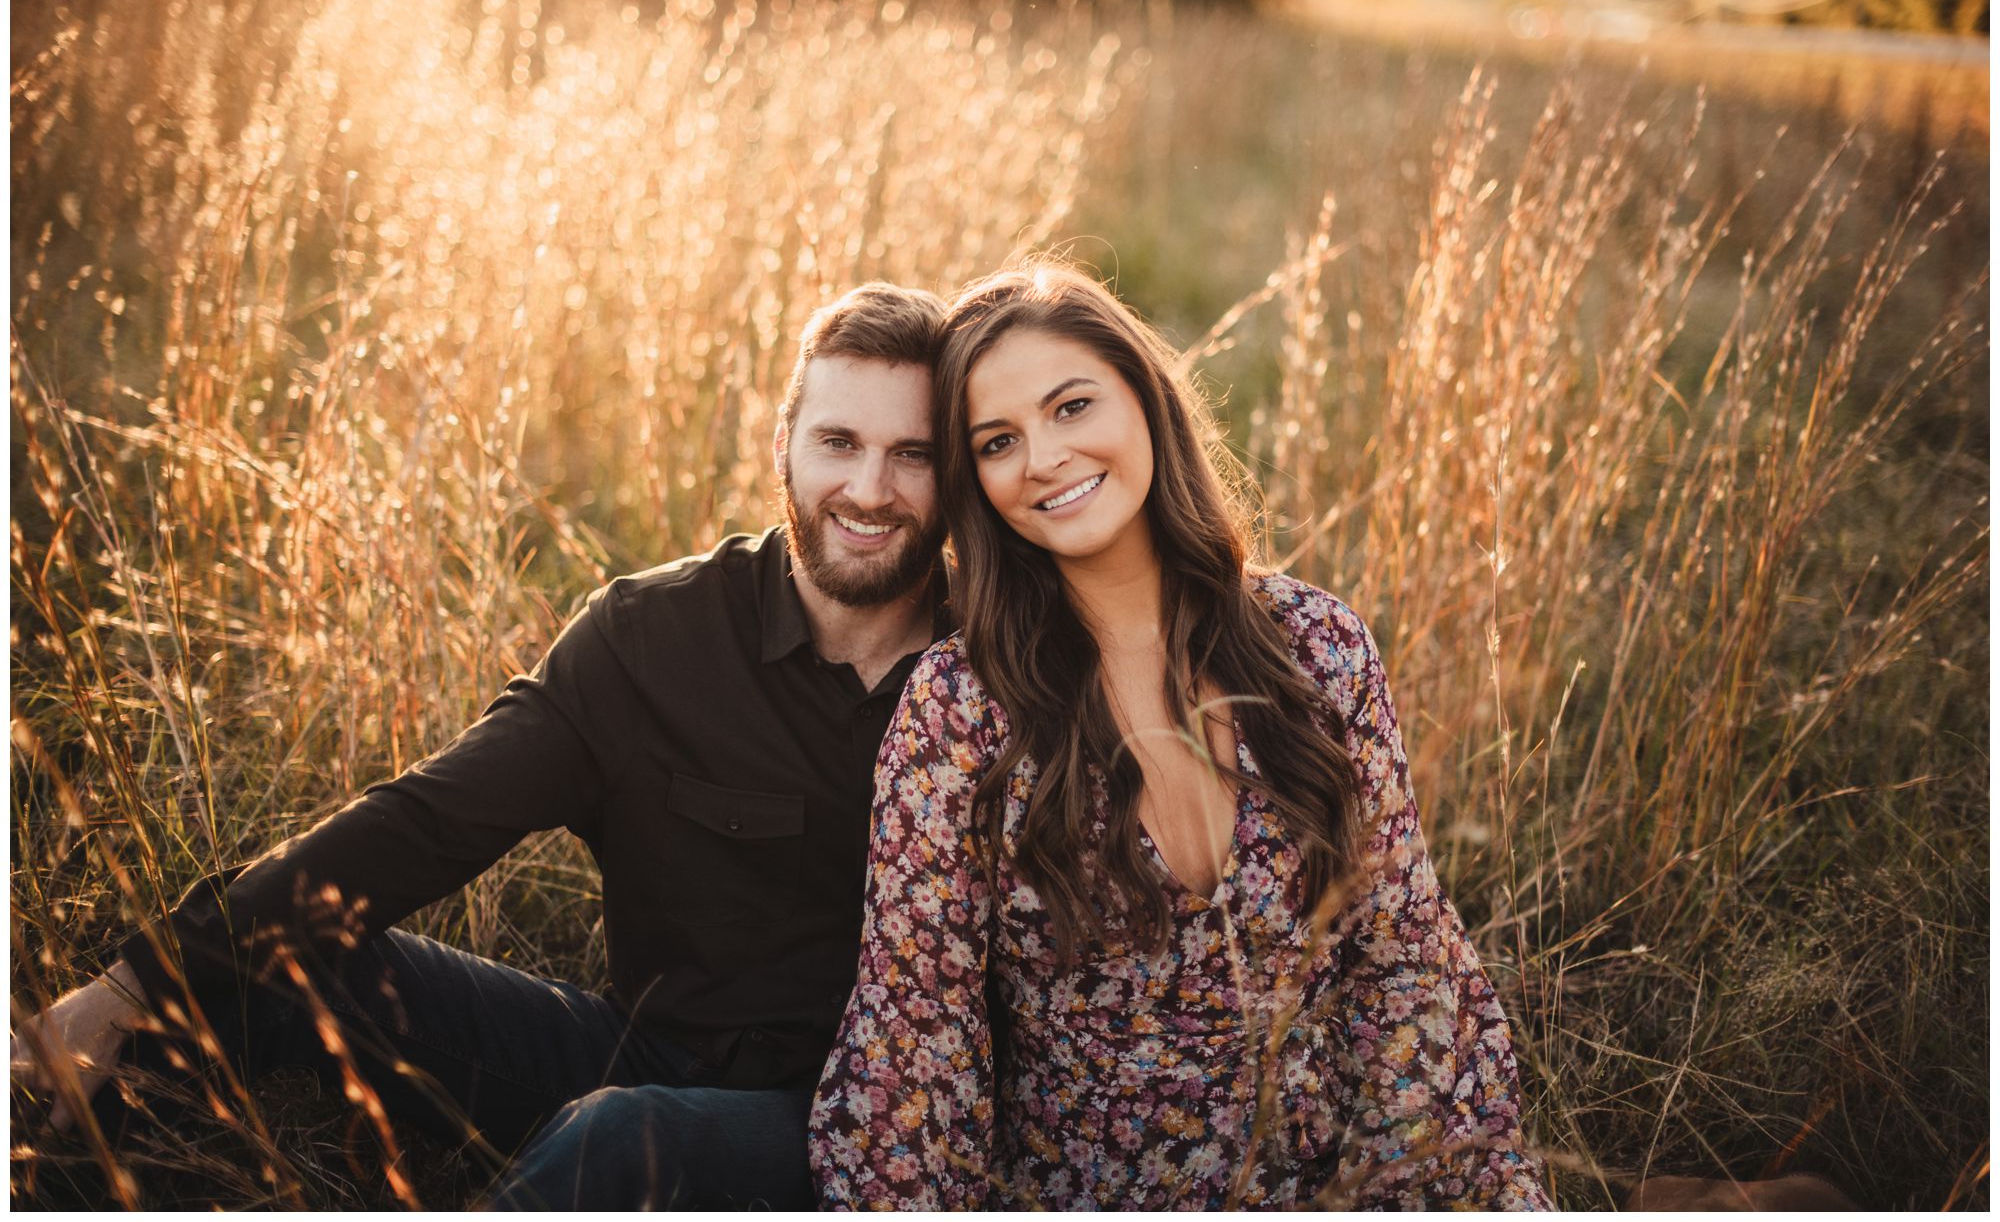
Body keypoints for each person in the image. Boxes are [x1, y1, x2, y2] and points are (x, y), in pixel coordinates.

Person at [11, 282, 955, 1210]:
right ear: (782, 444)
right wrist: (134, 983)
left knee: (622, 1136)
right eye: (839, 442)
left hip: (859, 1129)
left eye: (912, 454)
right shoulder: (653, 639)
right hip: (636, 1052)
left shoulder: (997, 681)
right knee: (270, 968)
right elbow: (427, 825)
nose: (869, 490)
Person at [810, 262, 1551, 1209]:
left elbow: (1403, 960)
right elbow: (916, 1047)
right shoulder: (960, 712)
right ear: (976, 484)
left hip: (1348, 1179)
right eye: (999, 441)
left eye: (1072, 407)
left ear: (1146, 401)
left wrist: (1412, 1181)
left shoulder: (1318, 647)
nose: (1042, 458)